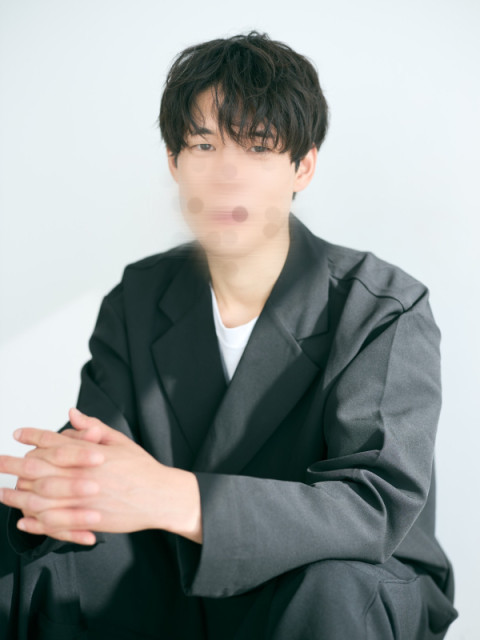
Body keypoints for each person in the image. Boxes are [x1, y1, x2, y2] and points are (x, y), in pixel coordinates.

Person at [0, 30, 459, 639]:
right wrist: (62, 483)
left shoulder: (381, 307)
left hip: (336, 582)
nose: (227, 175)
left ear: (303, 166)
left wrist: (177, 496)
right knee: (35, 533)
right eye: (204, 145)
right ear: (174, 161)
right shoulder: (139, 296)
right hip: (174, 577)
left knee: (333, 584)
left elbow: (372, 508)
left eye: (259, 147)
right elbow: (104, 462)